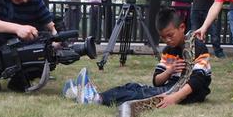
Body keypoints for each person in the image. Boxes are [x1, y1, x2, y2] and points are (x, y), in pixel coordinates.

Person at [63, 8, 212, 107]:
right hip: (170, 86)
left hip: (189, 93)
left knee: (140, 94)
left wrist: (175, 97)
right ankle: (84, 93)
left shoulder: (198, 47)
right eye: (163, 37)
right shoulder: (169, 50)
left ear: (182, 28)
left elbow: (199, 79)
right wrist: (169, 71)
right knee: (132, 86)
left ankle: (97, 99)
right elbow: (156, 80)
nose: (167, 40)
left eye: (170, 35)